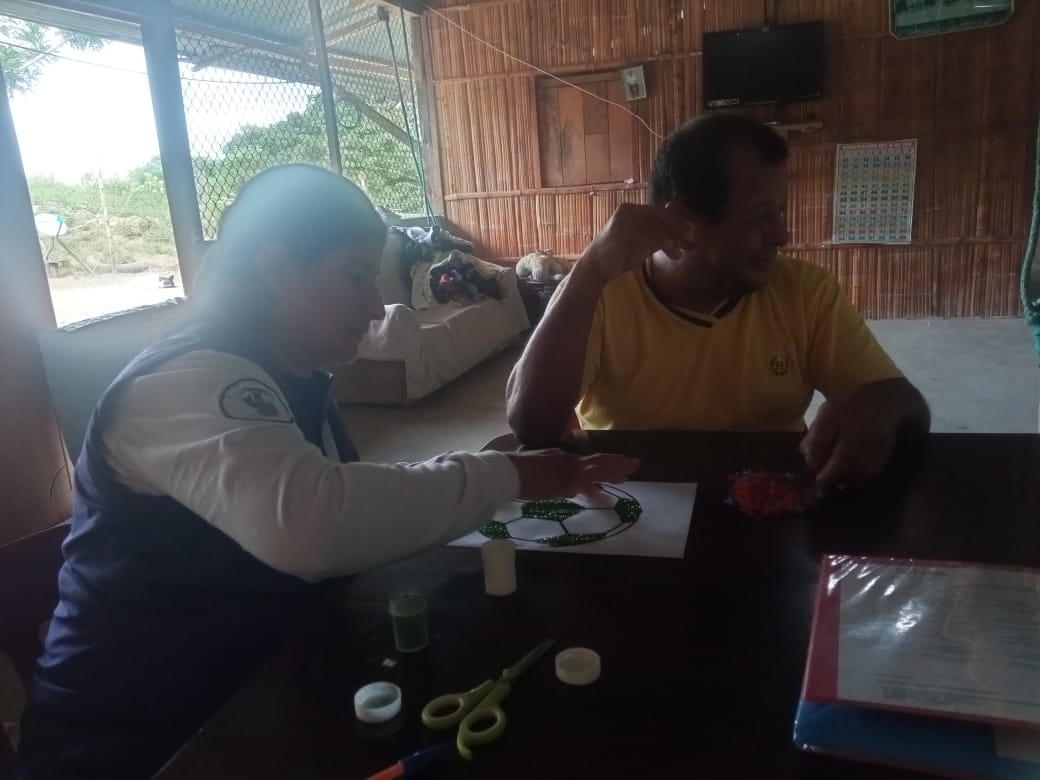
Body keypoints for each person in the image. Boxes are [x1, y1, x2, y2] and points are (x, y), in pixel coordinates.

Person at [17, 165, 637, 780]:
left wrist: (494, 474)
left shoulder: (293, 376)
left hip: (256, 696)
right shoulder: (186, 381)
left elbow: (350, 504)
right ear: (275, 267)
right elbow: (315, 526)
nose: (375, 304)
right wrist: (510, 476)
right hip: (144, 746)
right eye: (355, 276)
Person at [507, 114, 929, 488]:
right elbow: (532, 426)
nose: (782, 235)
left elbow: (898, 401)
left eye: (780, 211)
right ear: (683, 223)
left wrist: (883, 406)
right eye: (760, 216)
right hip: (632, 504)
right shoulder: (600, 290)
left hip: (768, 502)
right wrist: (587, 272)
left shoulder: (805, 291)